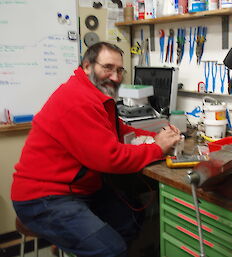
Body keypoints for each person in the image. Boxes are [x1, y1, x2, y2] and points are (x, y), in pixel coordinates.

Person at [11, 42, 181, 257]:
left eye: (120, 70)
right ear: (87, 66)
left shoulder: (94, 95)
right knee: (110, 250)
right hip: (45, 196)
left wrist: (155, 137)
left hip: (77, 189)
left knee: (130, 219)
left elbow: (121, 130)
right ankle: (76, 243)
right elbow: (110, 158)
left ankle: (75, 244)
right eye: (107, 67)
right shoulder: (78, 99)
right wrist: (157, 148)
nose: (116, 77)